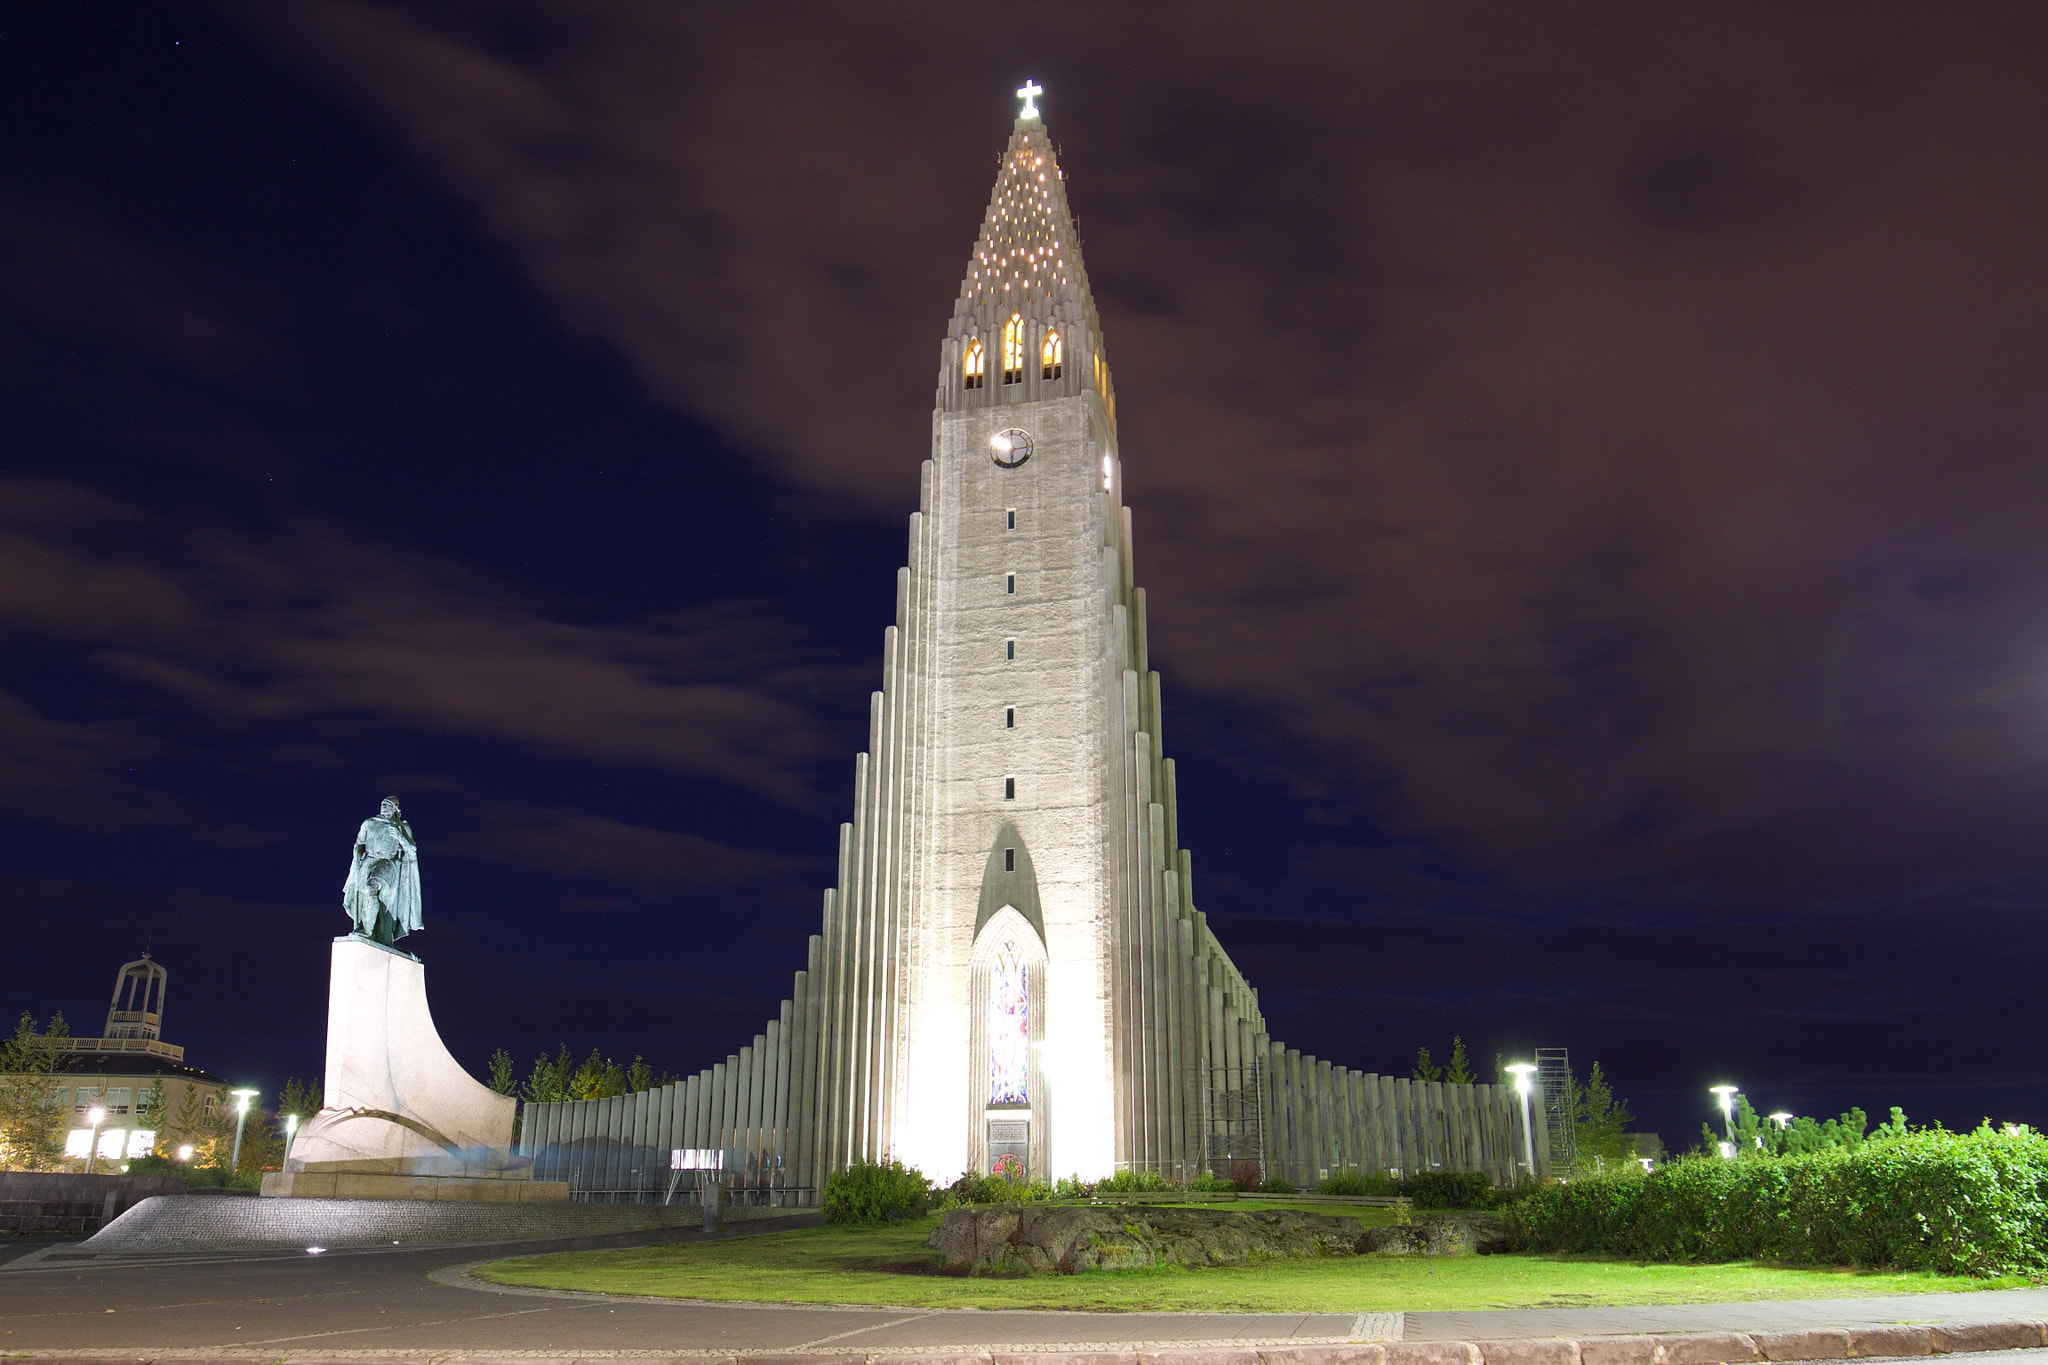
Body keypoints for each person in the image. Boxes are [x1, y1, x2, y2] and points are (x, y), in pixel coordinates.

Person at [342, 796, 423, 945]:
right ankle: (372, 932)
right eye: (383, 804)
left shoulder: (401, 826)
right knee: (363, 897)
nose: (384, 807)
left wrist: (399, 837)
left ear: (395, 809)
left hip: (387, 863)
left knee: (370, 888)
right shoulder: (369, 823)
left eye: (388, 805)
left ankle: (366, 930)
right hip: (368, 861)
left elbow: (412, 849)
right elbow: (359, 844)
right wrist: (357, 861)